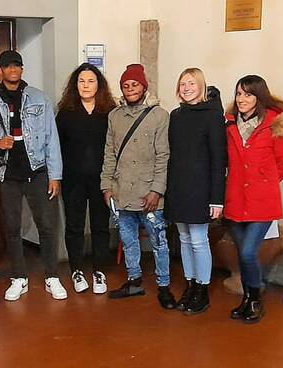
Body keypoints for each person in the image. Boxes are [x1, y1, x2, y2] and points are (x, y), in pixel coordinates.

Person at [0, 50, 66, 301]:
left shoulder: (39, 99)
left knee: (47, 225)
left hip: (38, 173)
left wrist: (55, 175)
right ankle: (19, 277)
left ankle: (52, 277)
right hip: (5, 176)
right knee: (11, 228)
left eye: (17, 66)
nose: (13, 70)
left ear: (22, 70)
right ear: (0, 71)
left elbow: (51, 139)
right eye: (8, 66)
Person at [100, 64, 176, 309]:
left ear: (144, 86)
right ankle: (134, 280)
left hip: (149, 195)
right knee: (129, 240)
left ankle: (163, 285)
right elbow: (109, 155)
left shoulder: (159, 115)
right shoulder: (115, 116)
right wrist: (106, 187)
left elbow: (163, 155)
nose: (130, 89)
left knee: (158, 241)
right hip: (122, 192)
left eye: (135, 84)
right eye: (126, 85)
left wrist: (157, 190)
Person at [224, 75, 283, 324]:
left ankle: (254, 300)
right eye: (239, 94)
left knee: (248, 252)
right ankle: (247, 299)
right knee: (244, 254)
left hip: (262, 202)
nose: (241, 99)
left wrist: (263, 183)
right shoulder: (229, 124)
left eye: (248, 94)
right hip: (234, 200)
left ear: (259, 97)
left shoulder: (274, 124)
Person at [165, 68, 226, 315]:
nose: (186, 87)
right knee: (184, 239)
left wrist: (217, 199)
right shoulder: (176, 115)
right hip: (178, 187)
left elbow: (218, 160)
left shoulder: (212, 116)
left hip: (201, 189)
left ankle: (202, 289)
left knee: (199, 241)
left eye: (191, 83)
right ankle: (190, 285)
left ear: (201, 86)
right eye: (182, 83)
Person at [56, 62, 116, 294]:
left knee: (101, 227)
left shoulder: (109, 112)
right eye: (81, 81)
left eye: (91, 81)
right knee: (74, 227)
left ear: (98, 84)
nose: (86, 85)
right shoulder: (65, 113)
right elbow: (57, 148)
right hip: (73, 181)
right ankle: (77, 270)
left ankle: (99, 271)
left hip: (102, 181)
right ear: (75, 85)